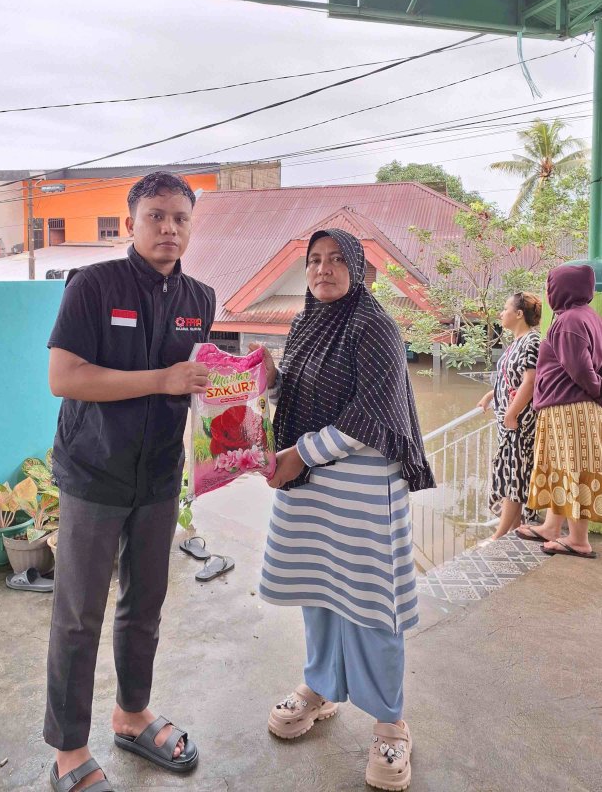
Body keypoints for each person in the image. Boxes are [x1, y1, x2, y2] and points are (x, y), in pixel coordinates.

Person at [44, 172, 216, 792]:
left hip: (159, 476)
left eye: (180, 218)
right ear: (131, 224)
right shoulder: (93, 286)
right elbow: (64, 378)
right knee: (78, 616)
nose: (169, 228)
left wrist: (246, 383)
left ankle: (132, 712)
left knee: (144, 603)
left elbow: (199, 381)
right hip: (94, 471)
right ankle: (68, 749)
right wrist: (161, 380)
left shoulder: (202, 298)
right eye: (156, 217)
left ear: (192, 226)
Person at [254, 229, 435, 792]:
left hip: (359, 486)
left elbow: (368, 414)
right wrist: (262, 376)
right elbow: (301, 390)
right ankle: (321, 689)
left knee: (370, 601)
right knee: (319, 589)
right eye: (314, 260)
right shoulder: (307, 322)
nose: (323, 269)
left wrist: (296, 454)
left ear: (359, 269)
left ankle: (390, 723)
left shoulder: (374, 326)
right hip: (310, 484)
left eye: (336, 260)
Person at [521, 263, 602, 558]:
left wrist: (598, 392)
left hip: (569, 408)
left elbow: (581, 370)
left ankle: (579, 540)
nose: (547, 290)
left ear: (563, 287)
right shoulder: (585, 317)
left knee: (571, 469)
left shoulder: (569, 320)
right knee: (559, 468)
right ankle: (551, 527)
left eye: (550, 285)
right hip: (567, 407)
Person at [478, 293, 542, 539]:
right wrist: (490, 396)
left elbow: (531, 379)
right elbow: (509, 379)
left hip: (520, 420)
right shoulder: (516, 342)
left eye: (505, 309)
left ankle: (498, 535)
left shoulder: (532, 341)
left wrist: (512, 412)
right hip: (508, 420)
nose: (501, 313)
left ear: (518, 314)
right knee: (507, 472)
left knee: (514, 474)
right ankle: (514, 530)